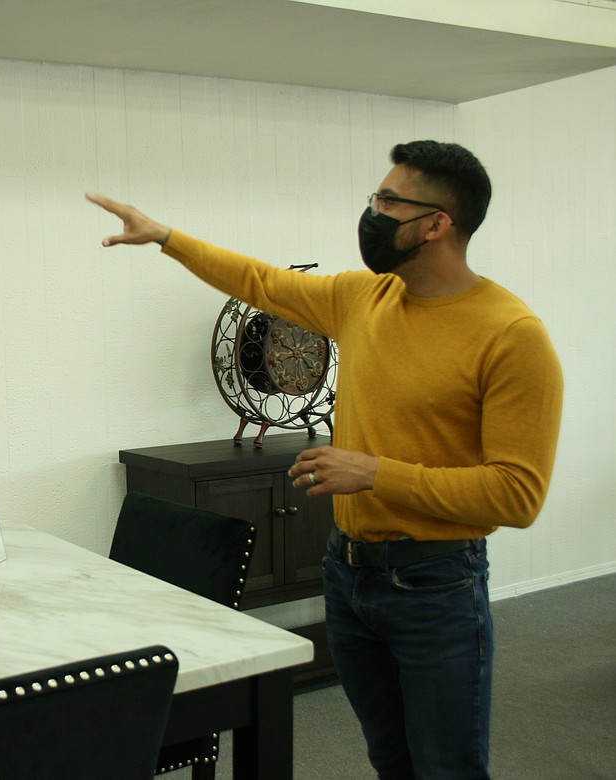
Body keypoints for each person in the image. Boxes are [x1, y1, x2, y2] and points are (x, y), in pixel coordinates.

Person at [89, 140, 563, 780]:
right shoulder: (364, 297)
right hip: (348, 573)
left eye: (390, 200)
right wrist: (167, 237)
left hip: (436, 587)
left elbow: (517, 496)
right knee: (391, 759)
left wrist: (374, 473)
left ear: (437, 224)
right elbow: (259, 282)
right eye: (376, 196)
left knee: (447, 767)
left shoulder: (511, 335)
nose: (374, 211)